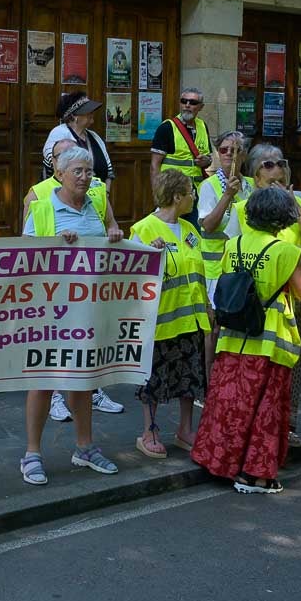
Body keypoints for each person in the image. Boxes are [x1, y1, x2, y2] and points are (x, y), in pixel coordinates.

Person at [192, 186, 301, 494]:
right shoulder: (286, 251)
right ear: (284, 217)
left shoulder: (233, 244)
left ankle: (218, 462)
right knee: (266, 410)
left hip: (234, 338)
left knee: (229, 404)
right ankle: (256, 475)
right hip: (269, 342)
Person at [19, 146, 124, 484]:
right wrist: (53, 242)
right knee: (45, 380)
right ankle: (32, 454)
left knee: (84, 378)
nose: (84, 176)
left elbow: (108, 240)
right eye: (77, 171)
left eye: (88, 170)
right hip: (51, 310)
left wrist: (115, 238)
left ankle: (85, 447)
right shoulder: (43, 208)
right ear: (59, 175)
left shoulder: (94, 205)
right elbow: (25, 256)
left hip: (88, 308)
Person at [227, 146, 301, 447]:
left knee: (292, 363)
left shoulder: (294, 205)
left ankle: (285, 424)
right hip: (256, 300)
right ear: (255, 175)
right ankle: (252, 425)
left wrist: (295, 206)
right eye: (268, 165)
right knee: (254, 366)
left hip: (292, 298)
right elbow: (234, 248)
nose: (276, 169)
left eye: (280, 163)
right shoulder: (242, 208)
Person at [128, 170, 210, 459]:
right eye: (190, 191)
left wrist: (208, 311)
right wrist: (150, 256)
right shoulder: (144, 229)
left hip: (191, 320)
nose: (193, 196)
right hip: (159, 323)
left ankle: (185, 430)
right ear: (177, 196)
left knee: (190, 377)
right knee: (153, 379)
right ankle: (148, 431)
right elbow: (133, 277)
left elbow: (199, 272)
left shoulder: (190, 230)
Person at [197, 130, 247, 296]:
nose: (228, 154)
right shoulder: (208, 186)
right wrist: (227, 196)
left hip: (243, 268)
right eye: (223, 150)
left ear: (243, 155)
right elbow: (208, 226)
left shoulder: (251, 186)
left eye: (235, 150)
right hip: (216, 269)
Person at [42, 91, 117, 198]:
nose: (92, 113)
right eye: (87, 111)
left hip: (97, 200)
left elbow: (109, 171)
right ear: (74, 116)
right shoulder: (59, 133)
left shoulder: (94, 137)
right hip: (65, 200)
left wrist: (105, 194)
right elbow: (58, 169)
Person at [149, 87, 212, 189]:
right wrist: (157, 194)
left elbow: (208, 158)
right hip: (172, 189)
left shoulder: (203, 126)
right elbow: (154, 165)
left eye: (193, 102)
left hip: (197, 189)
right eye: (183, 101)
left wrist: (207, 161)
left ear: (201, 107)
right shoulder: (167, 127)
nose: (187, 105)